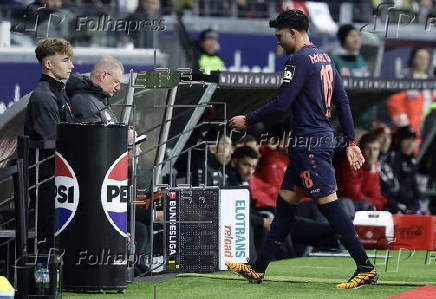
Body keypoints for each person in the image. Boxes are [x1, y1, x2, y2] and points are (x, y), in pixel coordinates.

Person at [226, 10, 378, 289]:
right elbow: (343, 102)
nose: (278, 43)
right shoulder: (325, 57)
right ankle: (258, 269)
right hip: (312, 141)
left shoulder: (298, 60)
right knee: (285, 206)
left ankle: (364, 266)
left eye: (280, 36)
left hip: (310, 143)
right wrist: (351, 141)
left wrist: (247, 119)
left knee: (329, 205)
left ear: (293, 33)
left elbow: (282, 103)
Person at [24, 37, 75, 251]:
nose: (71, 66)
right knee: (47, 235)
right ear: (48, 64)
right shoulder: (43, 97)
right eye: (65, 60)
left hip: (57, 177)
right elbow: (53, 140)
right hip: (47, 179)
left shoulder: (57, 92)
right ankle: (43, 281)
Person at [335, 133, 387, 211]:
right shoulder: (351, 164)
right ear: (360, 150)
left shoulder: (374, 166)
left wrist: (383, 202)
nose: (372, 154)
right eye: (368, 149)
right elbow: (355, 197)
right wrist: (380, 203)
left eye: (375, 149)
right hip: (343, 208)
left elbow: (375, 194)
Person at [66, 56, 122, 124]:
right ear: (103, 76)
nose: (118, 88)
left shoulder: (101, 99)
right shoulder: (83, 101)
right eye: (116, 82)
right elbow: (93, 133)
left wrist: (126, 131)